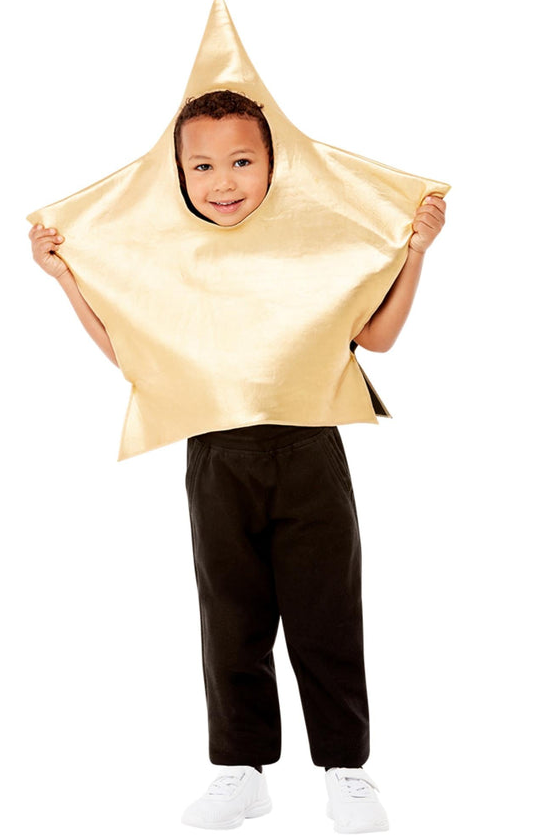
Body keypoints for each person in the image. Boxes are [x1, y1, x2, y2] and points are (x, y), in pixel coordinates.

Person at [29, 90, 446, 834]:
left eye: (243, 161)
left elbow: (376, 338)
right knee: (231, 617)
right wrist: (65, 277)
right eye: (203, 166)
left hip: (310, 450)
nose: (224, 181)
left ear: (274, 163)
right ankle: (241, 770)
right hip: (218, 456)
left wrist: (414, 252)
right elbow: (134, 357)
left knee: (326, 612)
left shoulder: (316, 249)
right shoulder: (171, 264)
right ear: (179, 174)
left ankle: (346, 768)